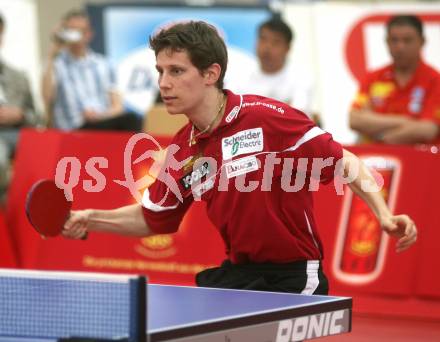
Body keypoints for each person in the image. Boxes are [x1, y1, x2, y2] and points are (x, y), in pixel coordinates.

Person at [63, 21, 417, 295]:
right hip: (240, 274)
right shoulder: (183, 150)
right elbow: (154, 218)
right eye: (160, 71)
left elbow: (345, 160)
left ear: (210, 74)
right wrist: (89, 218)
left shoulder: (266, 118)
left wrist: (383, 213)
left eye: (176, 71)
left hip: (293, 275)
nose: (163, 83)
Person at [42, 9, 142, 132]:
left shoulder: (104, 64)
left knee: (131, 119)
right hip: (70, 130)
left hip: (100, 123)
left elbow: (118, 107)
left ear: (89, 33)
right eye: (71, 30)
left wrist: (98, 115)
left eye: (81, 31)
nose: (76, 36)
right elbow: (47, 98)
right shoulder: (56, 64)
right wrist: (55, 47)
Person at [350, 15, 440, 145]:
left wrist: (380, 137)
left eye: (407, 40)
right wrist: (405, 121)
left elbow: (428, 130)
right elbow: (355, 120)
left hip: (422, 159)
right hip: (379, 161)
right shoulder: (374, 78)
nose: (400, 47)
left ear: (422, 41)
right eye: (394, 40)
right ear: (387, 42)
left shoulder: (435, 80)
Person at [234, 15, 316, 119]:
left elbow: (296, 116)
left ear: (288, 48)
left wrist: (251, 110)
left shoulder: (302, 77)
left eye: (275, 42)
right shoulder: (239, 73)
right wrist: (282, 106)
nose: (267, 47)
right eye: (263, 39)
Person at [0, 13, 37, 201]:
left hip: (20, 133)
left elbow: (36, 116)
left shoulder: (19, 76)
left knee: (45, 156)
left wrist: (21, 114)